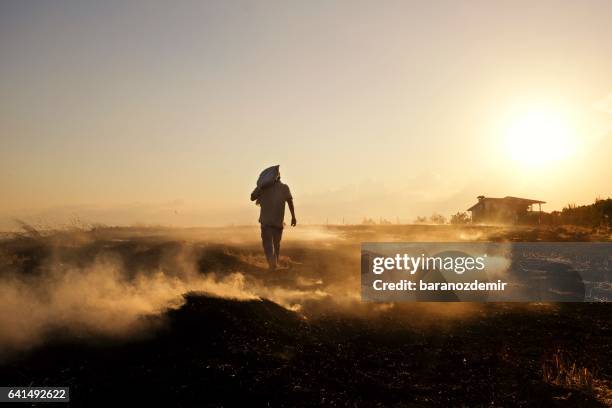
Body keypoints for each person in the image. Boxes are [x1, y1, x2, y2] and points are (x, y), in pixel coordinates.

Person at [250, 171, 296, 270]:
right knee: (276, 244)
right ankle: (274, 263)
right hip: (278, 222)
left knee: (267, 244)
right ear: (279, 177)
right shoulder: (284, 188)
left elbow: (252, 197)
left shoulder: (263, 187)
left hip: (266, 221)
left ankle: (272, 264)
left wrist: (259, 188)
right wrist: (293, 217)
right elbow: (290, 202)